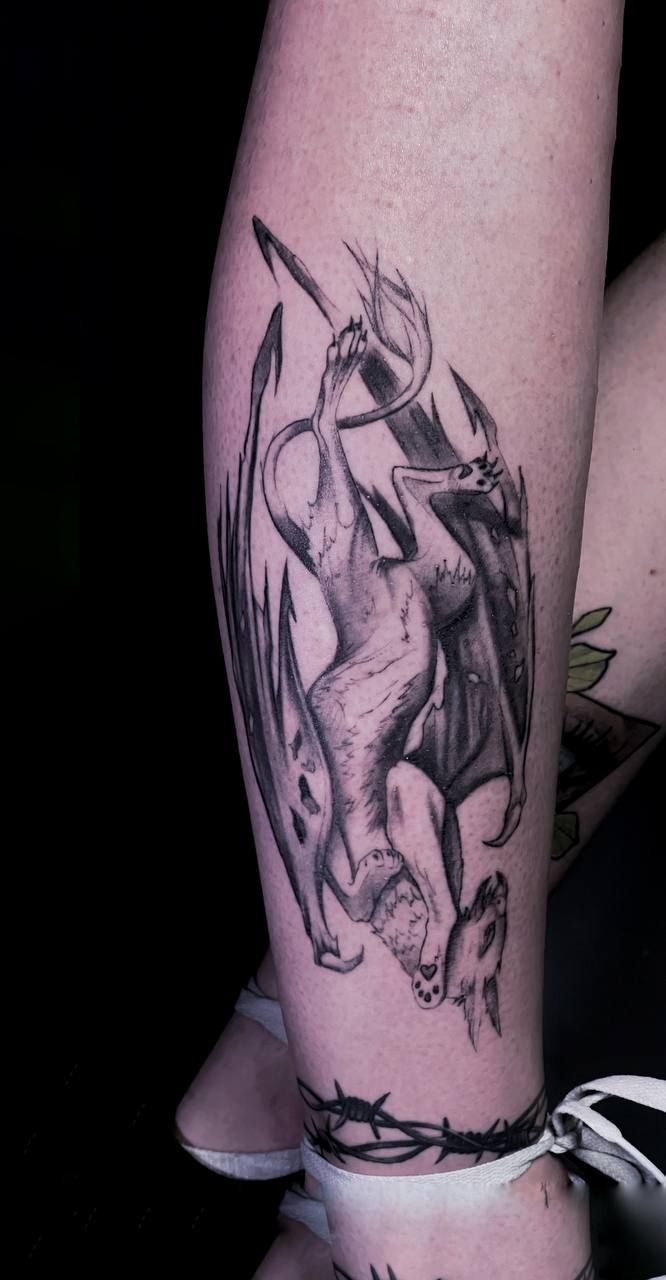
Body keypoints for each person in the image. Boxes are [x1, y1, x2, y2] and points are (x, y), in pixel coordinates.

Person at [188, 4, 665, 1274]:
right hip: (378, 686)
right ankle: (430, 1179)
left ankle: (351, 1092)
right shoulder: (343, 536)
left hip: (385, 691)